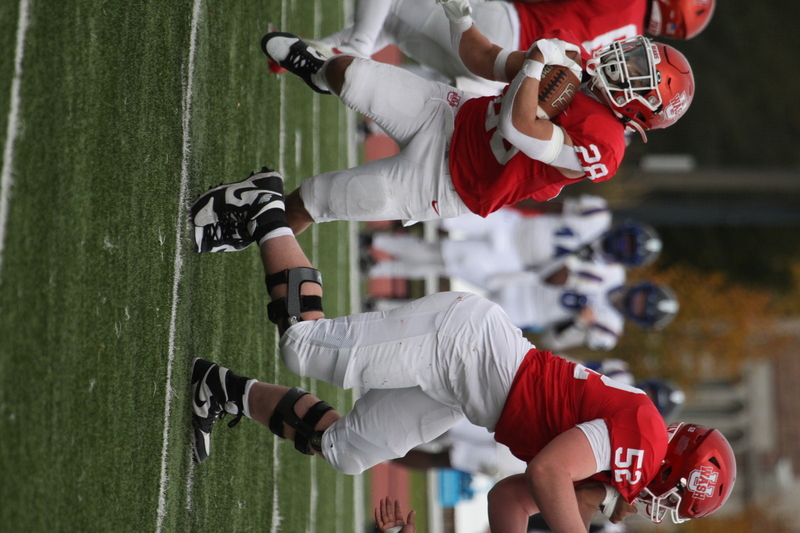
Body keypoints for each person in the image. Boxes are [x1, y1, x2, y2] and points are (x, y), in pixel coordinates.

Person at [187, 167, 736, 531]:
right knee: (303, 348)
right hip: (466, 347)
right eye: (674, 500)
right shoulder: (640, 434)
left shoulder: (619, 466)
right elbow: (547, 472)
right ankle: (264, 210)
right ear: (675, 472)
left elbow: (510, 500)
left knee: (348, 451)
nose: (659, 510)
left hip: (464, 392)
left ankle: (220, 391)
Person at [259, 16, 694, 237]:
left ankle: (247, 226)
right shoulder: (574, 60)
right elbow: (486, 59)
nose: (626, 59)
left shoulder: (605, 146)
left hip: (446, 183)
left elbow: (519, 128)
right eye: (637, 54)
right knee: (347, 74)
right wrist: (462, 18)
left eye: (639, 69)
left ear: (644, 105)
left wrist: (539, 61)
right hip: (450, 114)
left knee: (316, 199)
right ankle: (316, 69)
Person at [297, 0, 714, 96]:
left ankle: (351, 50)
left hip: (505, 30)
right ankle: (316, 60)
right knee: (395, 20)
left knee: (393, 14)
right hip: (505, 72)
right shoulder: (634, 47)